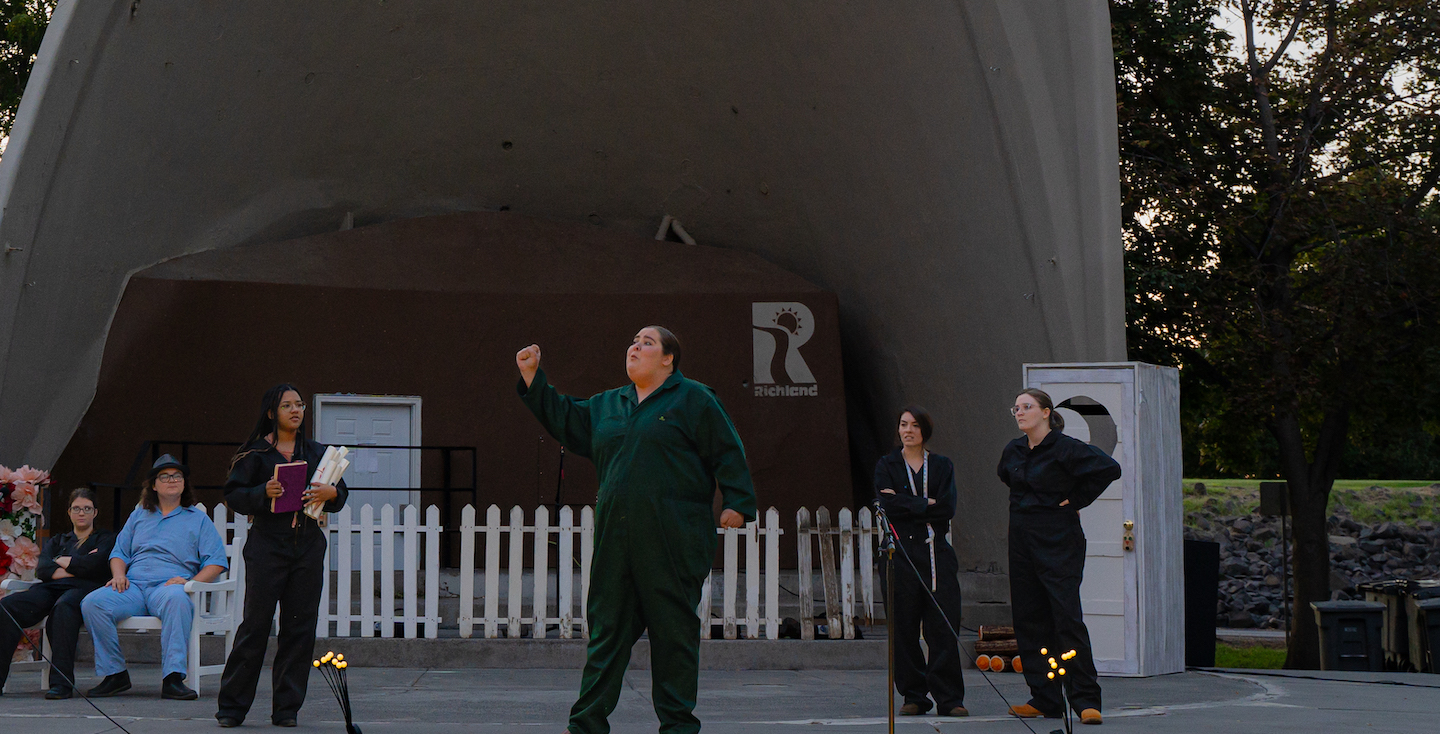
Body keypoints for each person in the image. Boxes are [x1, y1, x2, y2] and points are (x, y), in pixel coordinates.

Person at [516, 326, 756, 734]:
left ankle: (678, 727)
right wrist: (533, 377)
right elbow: (566, 418)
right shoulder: (608, 404)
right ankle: (586, 725)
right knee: (606, 635)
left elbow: (727, 449)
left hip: (673, 540)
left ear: (668, 359)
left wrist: (737, 502)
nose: (635, 346)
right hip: (616, 541)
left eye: (647, 343)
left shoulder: (694, 399)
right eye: (633, 341)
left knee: (674, 638)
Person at [216, 383, 348, 728]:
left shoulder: (318, 452)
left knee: (299, 628)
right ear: (272, 413)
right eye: (287, 405)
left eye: (300, 404)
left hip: (307, 545)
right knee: (255, 625)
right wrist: (263, 491)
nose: (296, 410)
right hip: (267, 545)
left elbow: (340, 492)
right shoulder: (255, 455)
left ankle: (286, 708)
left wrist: (332, 492)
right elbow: (235, 495)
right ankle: (232, 707)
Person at [998, 388, 1121, 726]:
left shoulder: (1067, 448)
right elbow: (1005, 476)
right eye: (1016, 407)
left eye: (1027, 407)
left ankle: (1084, 699)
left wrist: (1077, 499)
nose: (1020, 412)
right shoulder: (1013, 450)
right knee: (1029, 619)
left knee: (1066, 617)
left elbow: (1109, 468)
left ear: (1046, 413)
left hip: (1058, 540)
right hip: (1022, 539)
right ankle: (1045, 696)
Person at [81, 455, 228, 700]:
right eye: (165, 476)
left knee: (178, 599)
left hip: (169, 586)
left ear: (184, 484)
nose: (172, 480)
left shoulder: (198, 519)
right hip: (134, 586)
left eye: (177, 476)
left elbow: (215, 562)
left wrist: (190, 582)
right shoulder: (139, 516)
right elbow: (119, 553)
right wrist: (118, 575)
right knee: (93, 603)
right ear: (154, 485)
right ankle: (115, 674)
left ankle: (172, 678)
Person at [874, 406, 967, 717]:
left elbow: (946, 508)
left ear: (925, 431)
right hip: (899, 555)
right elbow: (887, 504)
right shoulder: (887, 464)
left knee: (942, 626)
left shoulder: (941, 466)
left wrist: (909, 504)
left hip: (935, 553)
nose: (908, 430)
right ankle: (914, 695)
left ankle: (950, 698)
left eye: (914, 425)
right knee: (903, 628)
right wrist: (923, 503)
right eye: (903, 424)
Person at [0, 488, 116, 699]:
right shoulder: (58, 541)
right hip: (50, 589)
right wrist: (78, 566)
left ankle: (61, 684)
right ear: (69, 512)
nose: (82, 513)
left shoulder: (105, 539)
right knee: (7, 607)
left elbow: (97, 567)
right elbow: (43, 570)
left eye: (87, 508)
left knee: (63, 609)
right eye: (77, 508)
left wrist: (64, 562)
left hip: (84, 590)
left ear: (95, 513)